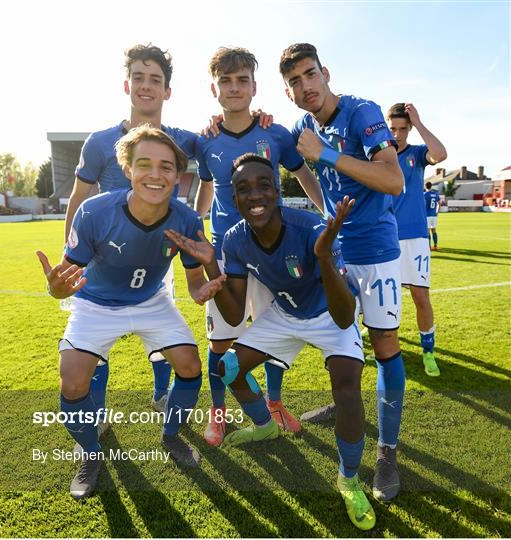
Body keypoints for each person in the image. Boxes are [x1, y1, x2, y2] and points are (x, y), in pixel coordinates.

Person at [167, 154, 375, 531]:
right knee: (226, 366)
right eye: (243, 189)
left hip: (329, 314)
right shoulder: (234, 239)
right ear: (233, 198)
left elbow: (345, 317)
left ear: (278, 191)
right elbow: (232, 317)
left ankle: (349, 478)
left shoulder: (312, 228)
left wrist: (324, 257)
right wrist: (212, 266)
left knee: (347, 389)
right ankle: (265, 424)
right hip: (285, 315)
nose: (255, 195)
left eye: (264, 185)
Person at [36, 125, 225, 498]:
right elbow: (66, 276)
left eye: (166, 167)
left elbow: (192, 285)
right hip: (96, 304)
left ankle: (170, 437)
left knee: (189, 367)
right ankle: (90, 453)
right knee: (72, 381)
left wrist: (202, 290)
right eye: (145, 165)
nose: (155, 175)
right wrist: (56, 288)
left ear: (177, 174)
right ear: (127, 170)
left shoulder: (186, 219)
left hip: (151, 301)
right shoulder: (95, 211)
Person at [279, 43, 406, 501]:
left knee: (384, 346)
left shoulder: (361, 113)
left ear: (325, 73)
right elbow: (296, 168)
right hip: (337, 252)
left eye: (310, 75)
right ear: (288, 90)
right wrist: (326, 216)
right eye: (294, 81)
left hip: (376, 253)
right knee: (339, 337)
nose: (305, 86)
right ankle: (343, 402)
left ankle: (387, 453)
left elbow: (394, 180)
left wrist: (328, 155)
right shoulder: (300, 126)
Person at [194, 47, 324, 446]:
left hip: (274, 254)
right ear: (213, 87)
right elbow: (206, 187)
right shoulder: (206, 139)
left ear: (254, 85)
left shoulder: (275, 132)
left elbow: (304, 175)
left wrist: (332, 215)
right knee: (222, 339)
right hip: (225, 255)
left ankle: (273, 403)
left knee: (271, 334)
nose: (234, 88)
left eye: (242, 80)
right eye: (226, 81)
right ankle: (218, 415)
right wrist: (190, 225)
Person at [64, 44, 200, 418]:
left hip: (157, 254)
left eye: (155, 79)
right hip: (102, 256)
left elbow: (221, 150)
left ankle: (161, 396)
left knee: (159, 336)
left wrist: (197, 214)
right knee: (95, 345)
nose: (146, 85)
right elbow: (79, 197)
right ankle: (98, 413)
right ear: (127, 85)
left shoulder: (182, 140)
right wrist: (71, 255)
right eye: (138, 77)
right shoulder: (98, 141)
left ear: (167, 91)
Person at [387, 103, 447, 377]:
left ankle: (428, 352)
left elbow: (440, 154)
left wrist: (420, 123)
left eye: (403, 128)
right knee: (389, 301)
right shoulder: (377, 157)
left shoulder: (417, 154)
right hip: (385, 237)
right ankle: (392, 352)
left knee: (420, 297)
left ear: (409, 129)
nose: (397, 134)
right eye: (393, 128)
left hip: (415, 238)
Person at [424, 181, 441, 250]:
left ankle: (429, 246)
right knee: (434, 230)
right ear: (431, 186)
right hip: (434, 215)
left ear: (425, 186)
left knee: (427, 231)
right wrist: (437, 212)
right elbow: (439, 204)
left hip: (427, 215)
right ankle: (436, 245)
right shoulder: (436, 194)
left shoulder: (425, 194)